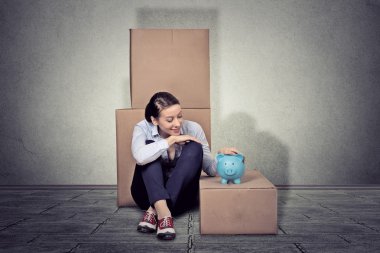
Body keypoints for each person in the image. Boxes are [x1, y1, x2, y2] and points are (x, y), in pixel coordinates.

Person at [130, 91, 240, 240]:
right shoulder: (142, 127)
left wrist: (222, 156)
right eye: (170, 119)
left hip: (180, 197)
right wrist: (171, 140)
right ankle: (164, 213)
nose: (177, 123)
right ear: (154, 120)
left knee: (195, 146)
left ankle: (154, 210)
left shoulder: (193, 128)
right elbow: (139, 157)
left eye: (179, 116)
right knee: (149, 147)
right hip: (145, 194)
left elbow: (210, 170)